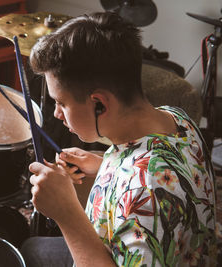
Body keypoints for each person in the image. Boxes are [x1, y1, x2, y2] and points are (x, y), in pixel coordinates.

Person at [20, 12, 217, 266]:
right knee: (31, 248)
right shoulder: (176, 118)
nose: (57, 114)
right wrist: (107, 165)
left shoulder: (145, 196)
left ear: (99, 104)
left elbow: (148, 191)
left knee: (29, 252)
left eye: (61, 103)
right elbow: (160, 168)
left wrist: (66, 215)